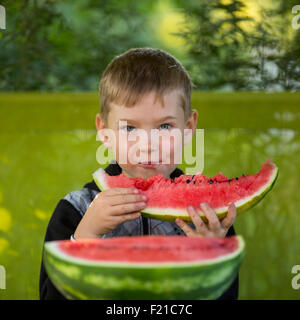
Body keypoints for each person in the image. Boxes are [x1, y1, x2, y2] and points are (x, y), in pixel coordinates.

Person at [39, 47, 238, 300]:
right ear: (104, 130)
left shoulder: (209, 216)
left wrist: (211, 255)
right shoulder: (75, 211)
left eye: (165, 126)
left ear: (189, 128)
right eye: (130, 128)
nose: (148, 144)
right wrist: (84, 238)